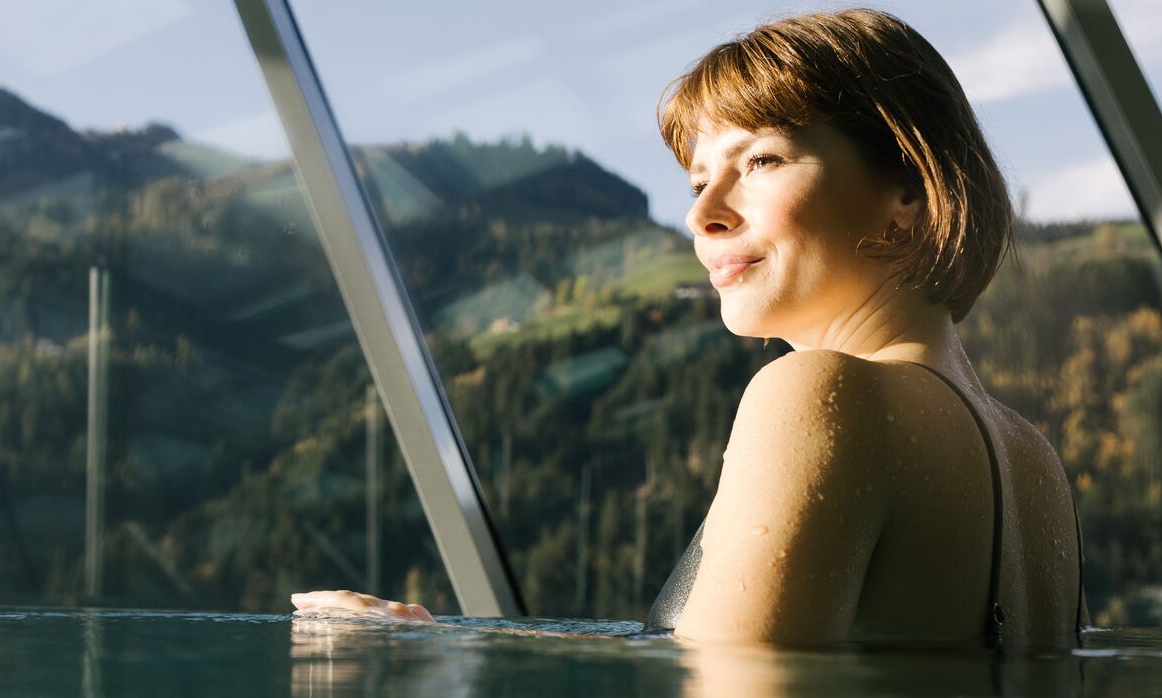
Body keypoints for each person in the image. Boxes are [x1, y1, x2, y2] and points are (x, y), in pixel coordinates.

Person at [294, 8, 1084, 646]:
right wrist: (444, 640)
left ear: (906, 194)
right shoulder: (1029, 459)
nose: (701, 215)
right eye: (701, 178)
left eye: (762, 161)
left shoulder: (817, 391)